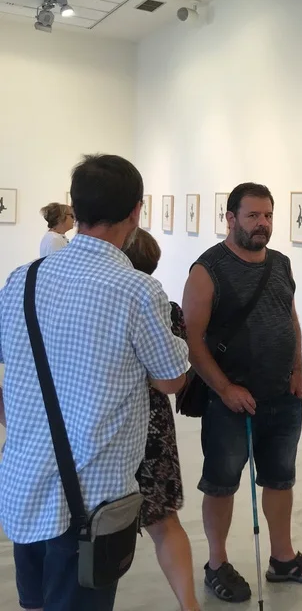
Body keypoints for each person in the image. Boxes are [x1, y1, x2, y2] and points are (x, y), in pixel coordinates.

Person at [0, 154, 189, 611]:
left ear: (75, 207)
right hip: (90, 500)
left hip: (24, 486)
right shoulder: (136, 290)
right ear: (136, 212)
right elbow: (171, 379)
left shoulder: (23, 279)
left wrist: (15, 417)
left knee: (35, 603)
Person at [182, 182, 302, 603]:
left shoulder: (281, 263)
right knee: (221, 484)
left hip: (282, 397)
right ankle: (216, 563)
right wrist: (225, 388)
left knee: (280, 479)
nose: (262, 223)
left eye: (267, 215)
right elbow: (192, 340)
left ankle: (283, 559)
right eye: (252, 216)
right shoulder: (207, 269)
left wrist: (297, 369)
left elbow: (291, 319)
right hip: (230, 403)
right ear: (230, 218)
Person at [123, 229, 201, 611]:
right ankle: (189, 604)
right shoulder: (168, 311)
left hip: (119, 421)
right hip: (154, 425)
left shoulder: (115, 305)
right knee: (164, 520)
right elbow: (169, 376)